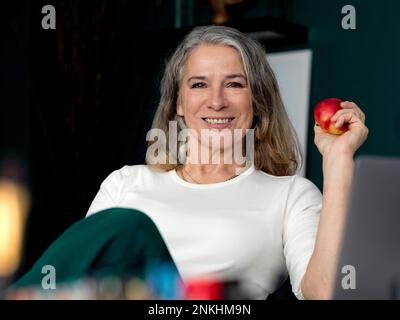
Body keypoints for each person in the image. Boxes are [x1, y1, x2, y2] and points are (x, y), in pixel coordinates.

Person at [13, 25, 368, 300]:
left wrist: (339, 162)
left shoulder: (291, 194)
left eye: (234, 84)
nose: (216, 102)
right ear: (178, 104)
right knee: (123, 227)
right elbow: (79, 280)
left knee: (129, 225)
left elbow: (324, 292)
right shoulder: (125, 183)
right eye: (198, 85)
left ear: (257, 102)